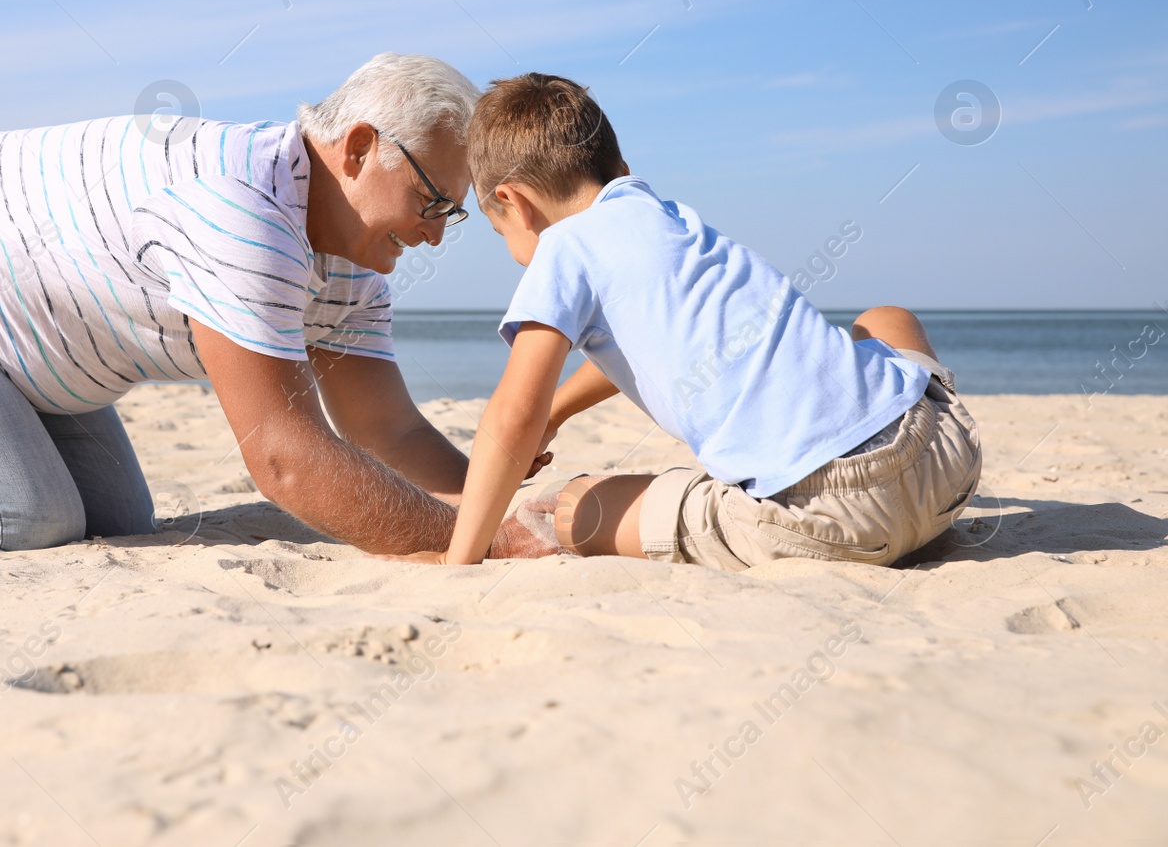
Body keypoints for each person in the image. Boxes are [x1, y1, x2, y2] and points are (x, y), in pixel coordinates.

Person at [0, 54, 554, 558]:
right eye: (434, 202)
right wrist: (469, 546)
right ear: (360, 148)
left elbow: (387, 429)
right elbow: (285, 460)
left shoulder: (358, 258)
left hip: (22, 337)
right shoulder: (243, 204)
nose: (438, 236)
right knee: (21, 520)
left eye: (454, 216)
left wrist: (494, 505)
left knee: (114, 526)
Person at [387, 73, 981, 570]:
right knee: (885, 318)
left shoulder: (563, 248)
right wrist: (560, 410)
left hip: (829, 518)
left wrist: (458, 560)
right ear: (618, 167)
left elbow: (511, 417)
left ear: (514, 202)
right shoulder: (660, 215)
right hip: (944, 460)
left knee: (575, 508)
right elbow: (647, 344)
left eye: (499, 232)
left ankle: (514, 538)